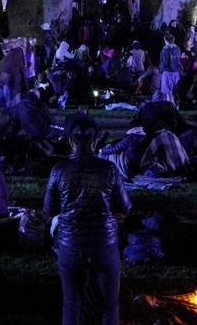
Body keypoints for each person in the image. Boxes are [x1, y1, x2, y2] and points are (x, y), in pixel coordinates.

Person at [43, 116, 131, 325]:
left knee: (71, 303)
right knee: (109, 305)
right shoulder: (109, 169)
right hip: (104, 243)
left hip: (70, 244)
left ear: (70, 141)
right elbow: (125, 206)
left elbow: (48, 209)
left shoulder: (59, 169)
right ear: (96, 140)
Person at [158, 33, 182, 106]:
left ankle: (171, 108)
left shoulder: (165, 49)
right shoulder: (177, 48)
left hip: (167, 72)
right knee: (175, 93)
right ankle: (175, 108)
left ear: (166, 40)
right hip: (176, 72)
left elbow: (164, 62)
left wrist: (160, 69)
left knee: (168, 94)